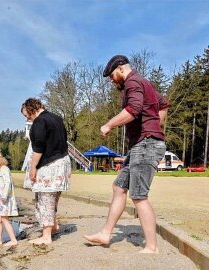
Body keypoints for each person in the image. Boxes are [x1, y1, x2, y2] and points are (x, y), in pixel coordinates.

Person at [83, 55, 169, 254]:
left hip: (146, 144)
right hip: (141, 143)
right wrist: (156, 124)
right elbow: (163, 104)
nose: (112, 80)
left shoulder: (133, 82)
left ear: (120, 68)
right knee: (119, 187)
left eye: (112, 76)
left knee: (139, 196)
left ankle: (151, 247)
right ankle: (106, 234)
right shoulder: (143, 82)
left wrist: (109, 124)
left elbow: (134, 109)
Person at [21, 98, 71, 245]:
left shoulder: (39, 121)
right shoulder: (57, 118)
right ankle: (53, 225)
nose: (27, 118)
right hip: (63, 162)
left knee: (45, 198)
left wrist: (32, 168)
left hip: (50, 164)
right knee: (53, 197)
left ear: (32, 109)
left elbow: (39, 147)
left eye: (27, 115)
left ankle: (46, 236)